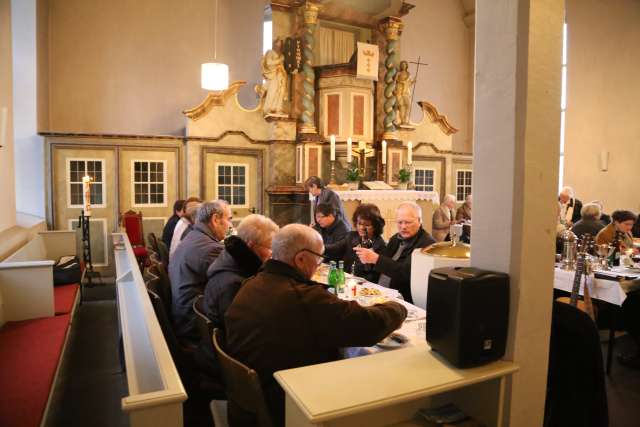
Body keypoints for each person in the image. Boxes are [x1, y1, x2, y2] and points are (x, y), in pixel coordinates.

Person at [224, 224, 407, 425]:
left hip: (248, 400)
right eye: (319, 258)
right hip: (287, 403)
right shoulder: (304, 298)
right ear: (301, 258)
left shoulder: (252, 282)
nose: (319, 265)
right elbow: (369, 326)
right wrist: (398, 308)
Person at [169, 200, 232, 347]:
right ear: (216, 219)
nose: (231, 226)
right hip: (194, 325)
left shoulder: (194, 237)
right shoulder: (210, 249)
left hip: (184, 314)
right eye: (229, 220)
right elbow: (233, 281)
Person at [204, 214, 279, 331]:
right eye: (270, 248)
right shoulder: (234, 284)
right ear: (251, 246)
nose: (272, 254)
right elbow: (239, 330)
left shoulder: (231, 258)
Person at [354, 202, 436, 302]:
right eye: (400, 222)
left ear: (419, 221)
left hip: (402, 298)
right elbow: (381, 265)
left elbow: (405, 273)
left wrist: (376, 258)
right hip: (380, 293)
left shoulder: (427, 244)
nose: (403, 227)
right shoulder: (396, 238)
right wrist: (368, 259)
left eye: (408, 222)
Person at [324, 203, 386, 283]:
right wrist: (318, 246)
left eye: (367, 225)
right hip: (346, 280)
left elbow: (373, 276)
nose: (362, 228)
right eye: (359, 223)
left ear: (375, 226)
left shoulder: (380, 245)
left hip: (364, 287)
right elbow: (335, 248)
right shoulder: (351, 236)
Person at [260, 38, 287, 115]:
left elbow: (282, 66)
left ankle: (278, 108)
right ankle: (268, 108)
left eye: (280, 45)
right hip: (273, 75)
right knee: (273, 90)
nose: (279, 46)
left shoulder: (281, 55)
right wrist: (279, 61)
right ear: (274, 44)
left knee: (280, 91)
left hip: (280, 74)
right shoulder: (270, 52)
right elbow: (268, 62)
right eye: (277, 44)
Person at [394, 60, 415, 125]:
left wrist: (413, 82)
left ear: (406, 66)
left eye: (404, 64)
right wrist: (394, 89)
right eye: (402, 64)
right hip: (399, 90)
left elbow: (409, 83)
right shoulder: (398, 73)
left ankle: (406, 119)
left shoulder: (409, 74)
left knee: (408, 105)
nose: (403, 66)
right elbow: (395, 81)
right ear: (401, 66)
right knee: (401, 105)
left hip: (406, 91)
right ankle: (402, 120)